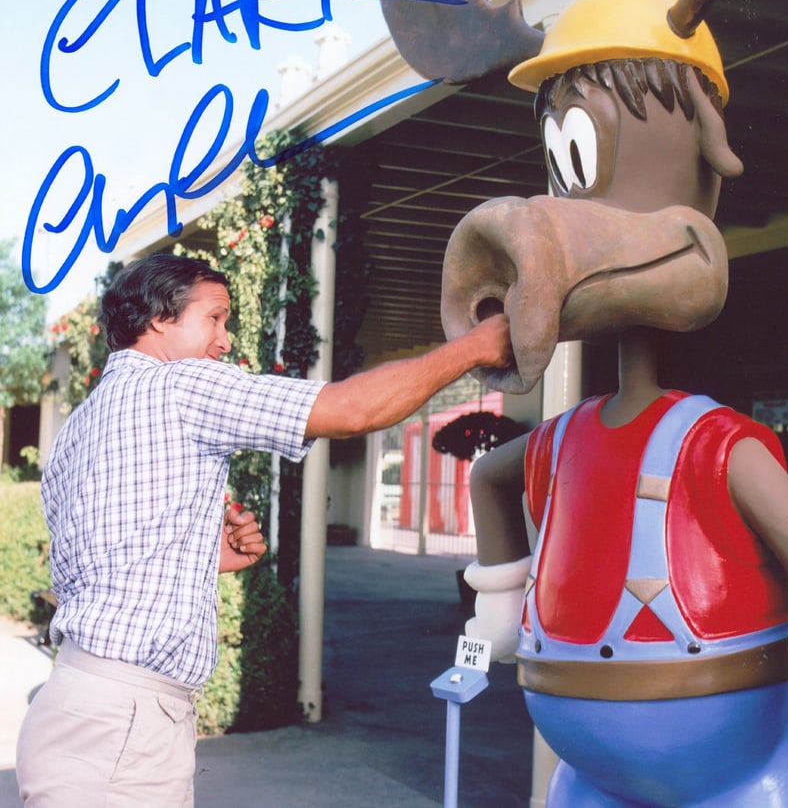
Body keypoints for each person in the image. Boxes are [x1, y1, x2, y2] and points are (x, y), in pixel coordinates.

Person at [15, 252, 512, 807]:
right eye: (215, 319)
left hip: (73, 704)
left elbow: (91, 562)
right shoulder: (181, 386)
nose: (225, 341)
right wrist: (476, 347)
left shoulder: (79, 427)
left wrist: (200, 553)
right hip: (125, 725)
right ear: (158, 319)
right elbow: (351, 410)